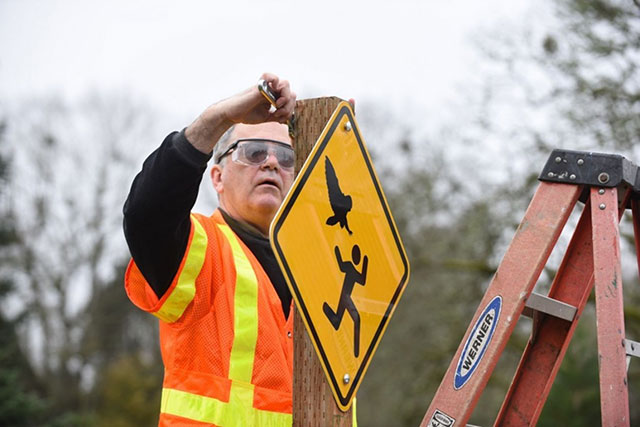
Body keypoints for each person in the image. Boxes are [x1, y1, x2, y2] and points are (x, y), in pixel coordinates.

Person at [123, 73, 298, 426]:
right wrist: (219, 119)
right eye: (254, 152)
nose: (271, 163)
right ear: (217, 177)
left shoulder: (320, 269)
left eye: (285, 156)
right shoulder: (197, 249)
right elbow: (147, 214)